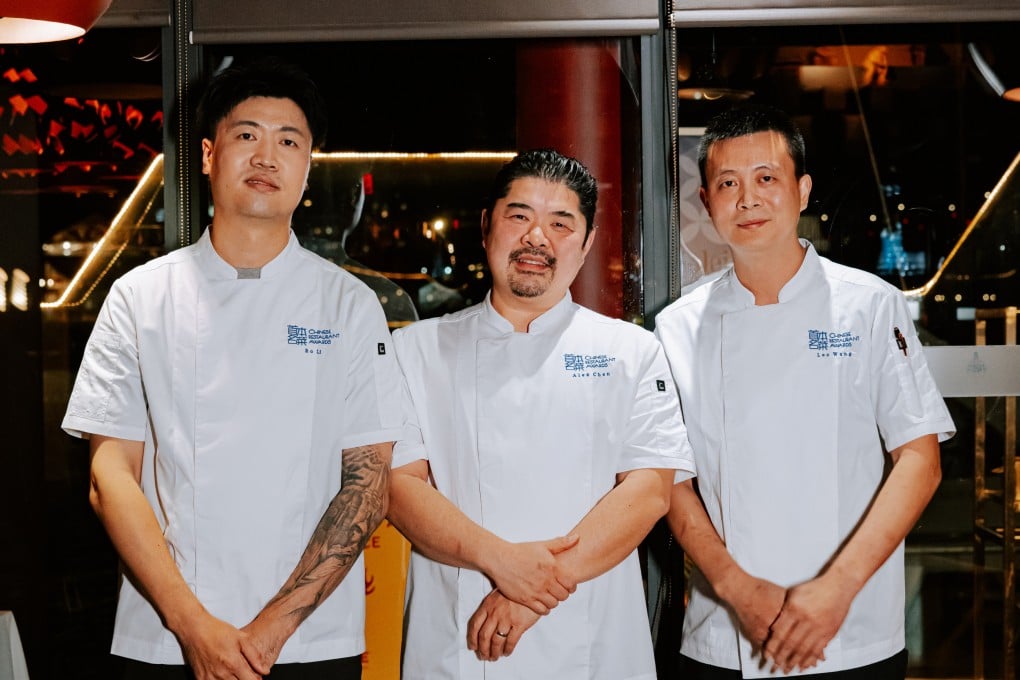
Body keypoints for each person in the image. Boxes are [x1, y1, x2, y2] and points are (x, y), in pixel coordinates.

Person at [61, 59, 412, 680]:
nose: (266, 156)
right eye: (247, 135)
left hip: (308, 641)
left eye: (289, 141)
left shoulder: (349, 305)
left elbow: (368, 482)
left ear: (307, 169)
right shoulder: (140, 298)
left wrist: (270, 629)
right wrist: (192, 627)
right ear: (206, 155)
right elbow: (110, 474)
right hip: (165, 636)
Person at [654, 104, 955, 679]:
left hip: (852, 629)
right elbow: (669, 476)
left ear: (803, 190)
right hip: (724, 631)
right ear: (705, 203)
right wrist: (735, 588)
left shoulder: (869, 305)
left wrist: (836, 590)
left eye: (766, 178)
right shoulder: (677, 326)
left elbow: (919, 460)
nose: (747, 199)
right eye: (727, 183)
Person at [387, 148, 696, 679]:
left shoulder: (632, 352)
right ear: (487, 226)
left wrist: (530, 593)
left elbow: (648, 491)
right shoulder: (414, 350)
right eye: (520, 216)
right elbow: (398, 488)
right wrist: (501, 562)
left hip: (593, 643)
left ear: (587, 243)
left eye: (560, 223)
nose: (537, 238)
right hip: (458, 644)